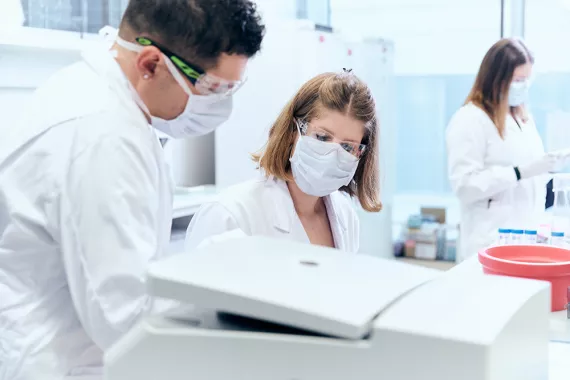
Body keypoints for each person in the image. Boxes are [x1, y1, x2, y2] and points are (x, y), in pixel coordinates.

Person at [0, 1, 264, 379]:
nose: (220, 105)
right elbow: (125, 316)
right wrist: (217, 274)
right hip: (58, 362)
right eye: (210, 87)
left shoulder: (97, 93)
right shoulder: (104, 135)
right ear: (151, 64)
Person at [185, 71, 382, 253]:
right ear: (292, 133)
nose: (332, 154)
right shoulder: (231, 214)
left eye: (348, 147)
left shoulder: (345, 216)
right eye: (322, 137)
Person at [446, 38, 568, 262]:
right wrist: (519, 172)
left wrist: (552, 175)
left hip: (526, 240)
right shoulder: (471, 119)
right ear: (496, 79)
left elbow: (532, 180)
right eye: (518, 80)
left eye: (527, 80)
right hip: (488, 243)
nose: (523, 86)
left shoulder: (522, 118)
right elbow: (464, 186)